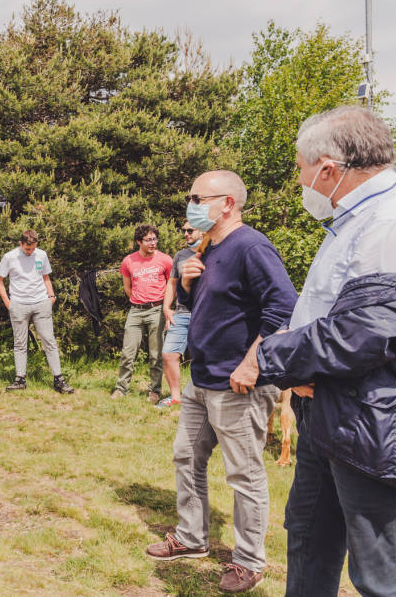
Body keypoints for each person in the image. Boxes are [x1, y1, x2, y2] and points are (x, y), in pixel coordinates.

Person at [252, 106, 396, 596]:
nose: (300, 179)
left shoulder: (394, 222)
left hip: (375, 420)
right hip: (329, 409)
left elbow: (363, 333)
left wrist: (273, 358)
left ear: (328, 168)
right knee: (309, 539)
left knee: (382, 573)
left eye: (299, 167)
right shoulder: (357, 218)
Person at [145, 170, 297, 594]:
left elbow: (284, 307)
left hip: (238, 384)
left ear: (227, 202)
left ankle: (248, 561)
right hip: (201, 378)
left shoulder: (251, 245)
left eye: (198, 197)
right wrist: (190, 285)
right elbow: (214, 307)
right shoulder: (208, 247)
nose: (190, 204)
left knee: (244, 474)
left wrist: (252, 363)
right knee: (186, 459)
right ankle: (191, 539)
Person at [0, 230, 74, 394]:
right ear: (20, 244)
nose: (30, 251)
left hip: (41, 303)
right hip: (18, 305)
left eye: (32, 248)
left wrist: (51, 296)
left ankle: (59, 379)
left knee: (49, 340)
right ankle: (20, 379)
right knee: (20, 343)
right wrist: (7, 302)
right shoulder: (10, 257)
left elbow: (46, 277)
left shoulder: (42, 255)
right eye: (27, 248)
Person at [113, 224, 172, 402]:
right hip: (136, 311)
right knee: (128, 352)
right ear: (139, 241)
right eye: (148, 240)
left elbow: (172, 285)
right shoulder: (128, 261)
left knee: (156, 354)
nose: (153, 243)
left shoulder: (166, 260)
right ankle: (120, 388)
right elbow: (127, 286)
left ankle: (155, 390)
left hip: (157, 310)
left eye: (155, 239)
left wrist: (166, 307)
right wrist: (138, 301)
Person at [156, 221, 202, 408]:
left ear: (202, 231)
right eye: (183, 231)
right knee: (168, 354)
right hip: (181, 313)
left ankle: (202, 399)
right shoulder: (180, 256)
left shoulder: (213, 253)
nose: (185, 234)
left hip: (204, 314)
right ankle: (176, 397)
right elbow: (172, 283)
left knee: (204, 357)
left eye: (190, 230)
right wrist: (167, 308)